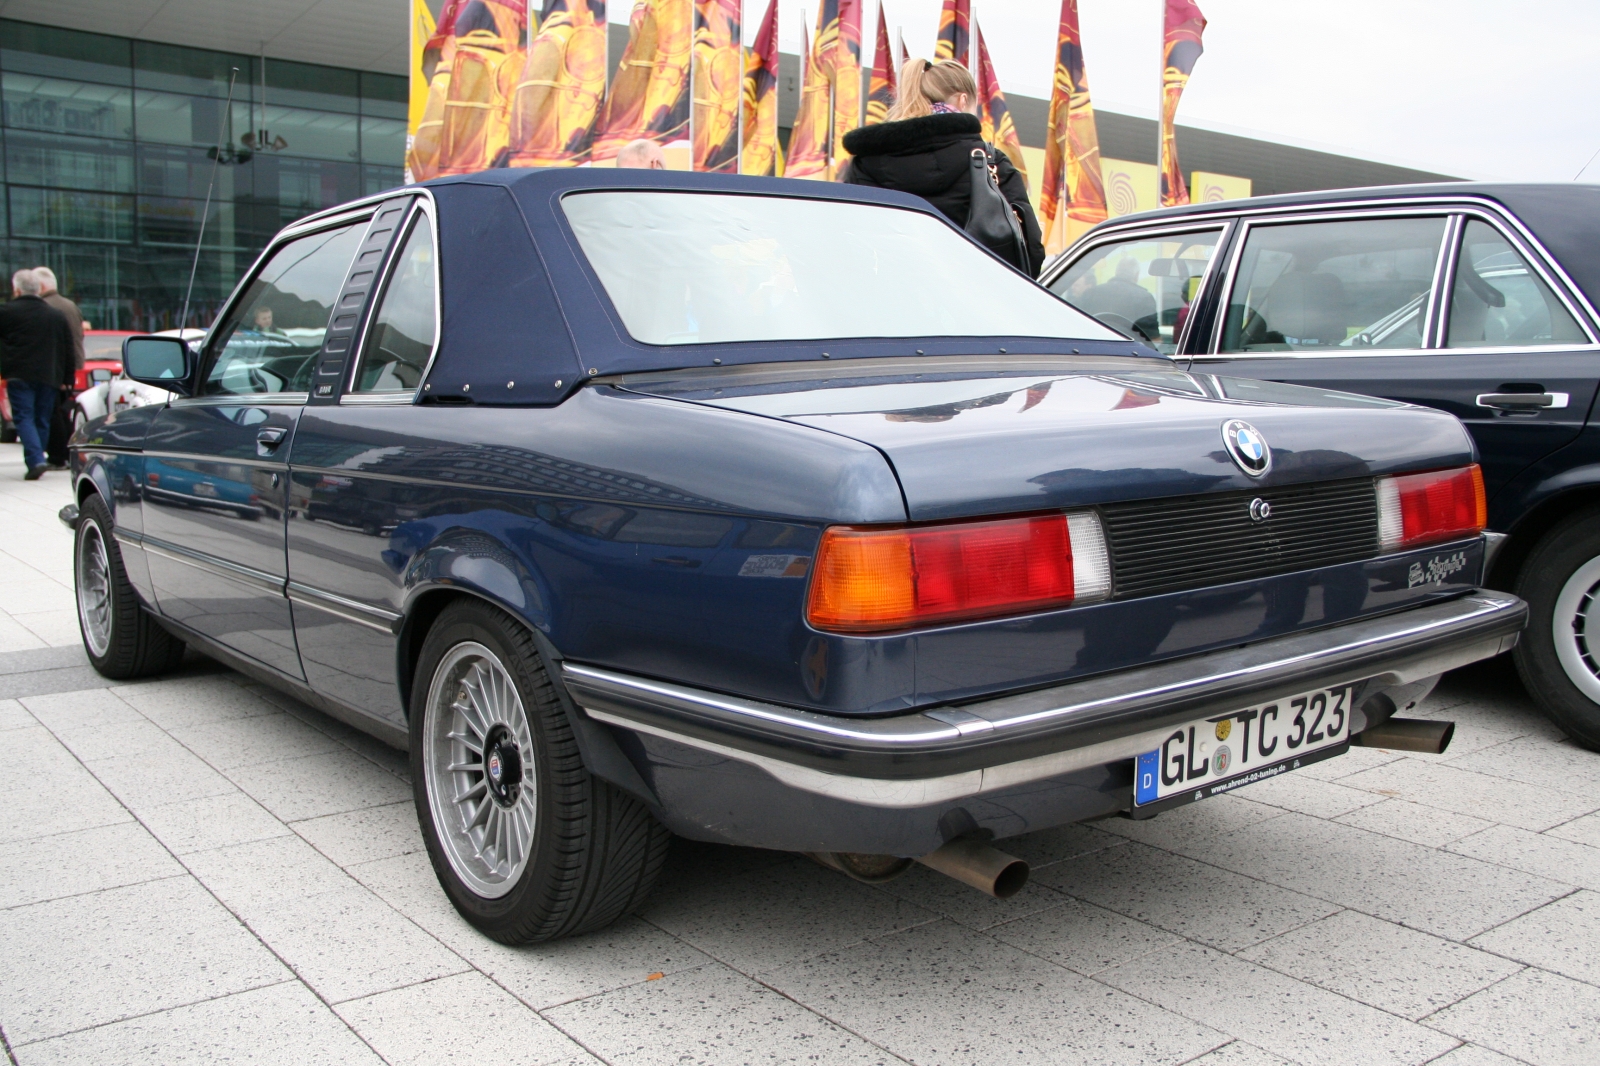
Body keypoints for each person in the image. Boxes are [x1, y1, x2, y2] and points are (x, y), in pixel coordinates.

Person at [840, 58, 1045, 278]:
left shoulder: (865, 164)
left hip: (890, 298)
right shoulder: (991, 162)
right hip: (973, 299)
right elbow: (1029, 247)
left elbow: (847, 241)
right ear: (963, 100)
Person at [0, 269, 74, 480]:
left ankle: (35, 460)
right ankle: (37, 457)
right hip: (50, 376)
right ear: (39, 289)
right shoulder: (55, 315)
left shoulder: (6, 312)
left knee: (24, 416)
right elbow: (67, 348)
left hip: (19, 374)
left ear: (16, 289)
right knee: (42, 418)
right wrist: (67, 379)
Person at [35, 266, 83, 469]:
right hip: (73, 365)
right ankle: (64, 452)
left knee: (53, 413)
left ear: (41, 286)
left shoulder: (45, 307)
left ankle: (58, 454)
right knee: (63, 412)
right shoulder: (70, 305)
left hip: (56, 368)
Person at [1074, 257, 1160, 341]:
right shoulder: (1144, 297)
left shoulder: (1091, 293)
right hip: (1130, 352)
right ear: (1136, 275)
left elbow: (1076, 321)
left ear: (1117, 272)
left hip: (1093, 348)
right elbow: (1152, 337)